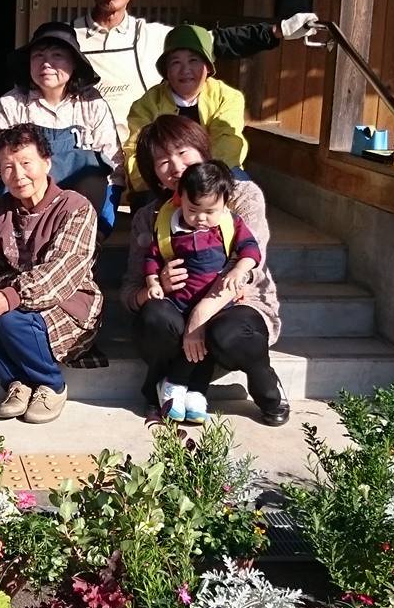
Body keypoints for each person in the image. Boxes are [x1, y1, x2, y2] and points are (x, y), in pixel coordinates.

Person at [122, 115, 287, 427]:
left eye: (183, 152)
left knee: (229, 333)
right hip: (178, 306)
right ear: (154, 173)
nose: (176, 166)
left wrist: (199, 318)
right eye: (162, 161)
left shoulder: (241, 196)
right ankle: (165, 388)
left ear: (203, 151)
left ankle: (266, 384)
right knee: (155, 317)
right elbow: (130, 290)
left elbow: (250, 265)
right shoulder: (150, 217)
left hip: (237, 304)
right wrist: (155, 287)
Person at [71, 0, 318, 139]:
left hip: (146, 149)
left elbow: (219, 41)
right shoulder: (68, 38)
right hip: (89, 151)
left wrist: (279, 30)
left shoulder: (153, 35)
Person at [0, 124, 101, 425]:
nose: (18, 175)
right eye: (8, 167)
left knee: (10, 317)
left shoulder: (75, 207)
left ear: (46, 163)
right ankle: (16, 381)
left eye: (26, 163)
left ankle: (51, 384)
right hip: (13, 300)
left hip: (65, 303)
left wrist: (8, 297)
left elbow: (61, 272)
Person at [138, 159, 264, 424]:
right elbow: (152, 258)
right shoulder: (168, 227)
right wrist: (153, 282)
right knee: (186, 340)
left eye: (210, 211)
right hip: (179, 302)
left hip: (215, 305)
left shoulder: (231, 225)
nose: (201, 219)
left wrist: (239, 270)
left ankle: (190, 390)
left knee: (206, 343)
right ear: (180, 198)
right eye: (193, 210)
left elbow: (251, 250)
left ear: (225, 203)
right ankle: (177, 387)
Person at [0, 21, 123, 223]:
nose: (46, 64)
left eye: (57, 55)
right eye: (38, 56)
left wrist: (103, 226)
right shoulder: (11, 104)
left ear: (74, 63)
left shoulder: (92, 104)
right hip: (21, 215)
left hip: (76, 217)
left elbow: (113, 171)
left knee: (93, 166)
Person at [123, 25, 248, 199]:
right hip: (163, 181)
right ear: (166, 70)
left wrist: (200, 181)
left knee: (243, 190)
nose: (185, 70)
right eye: (176, 62)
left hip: (214, 175)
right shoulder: (147, 103)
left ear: (208, 66)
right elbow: (136, 151)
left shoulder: (227, 97)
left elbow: (227, 141)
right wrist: (164, 182)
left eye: (193, 60)